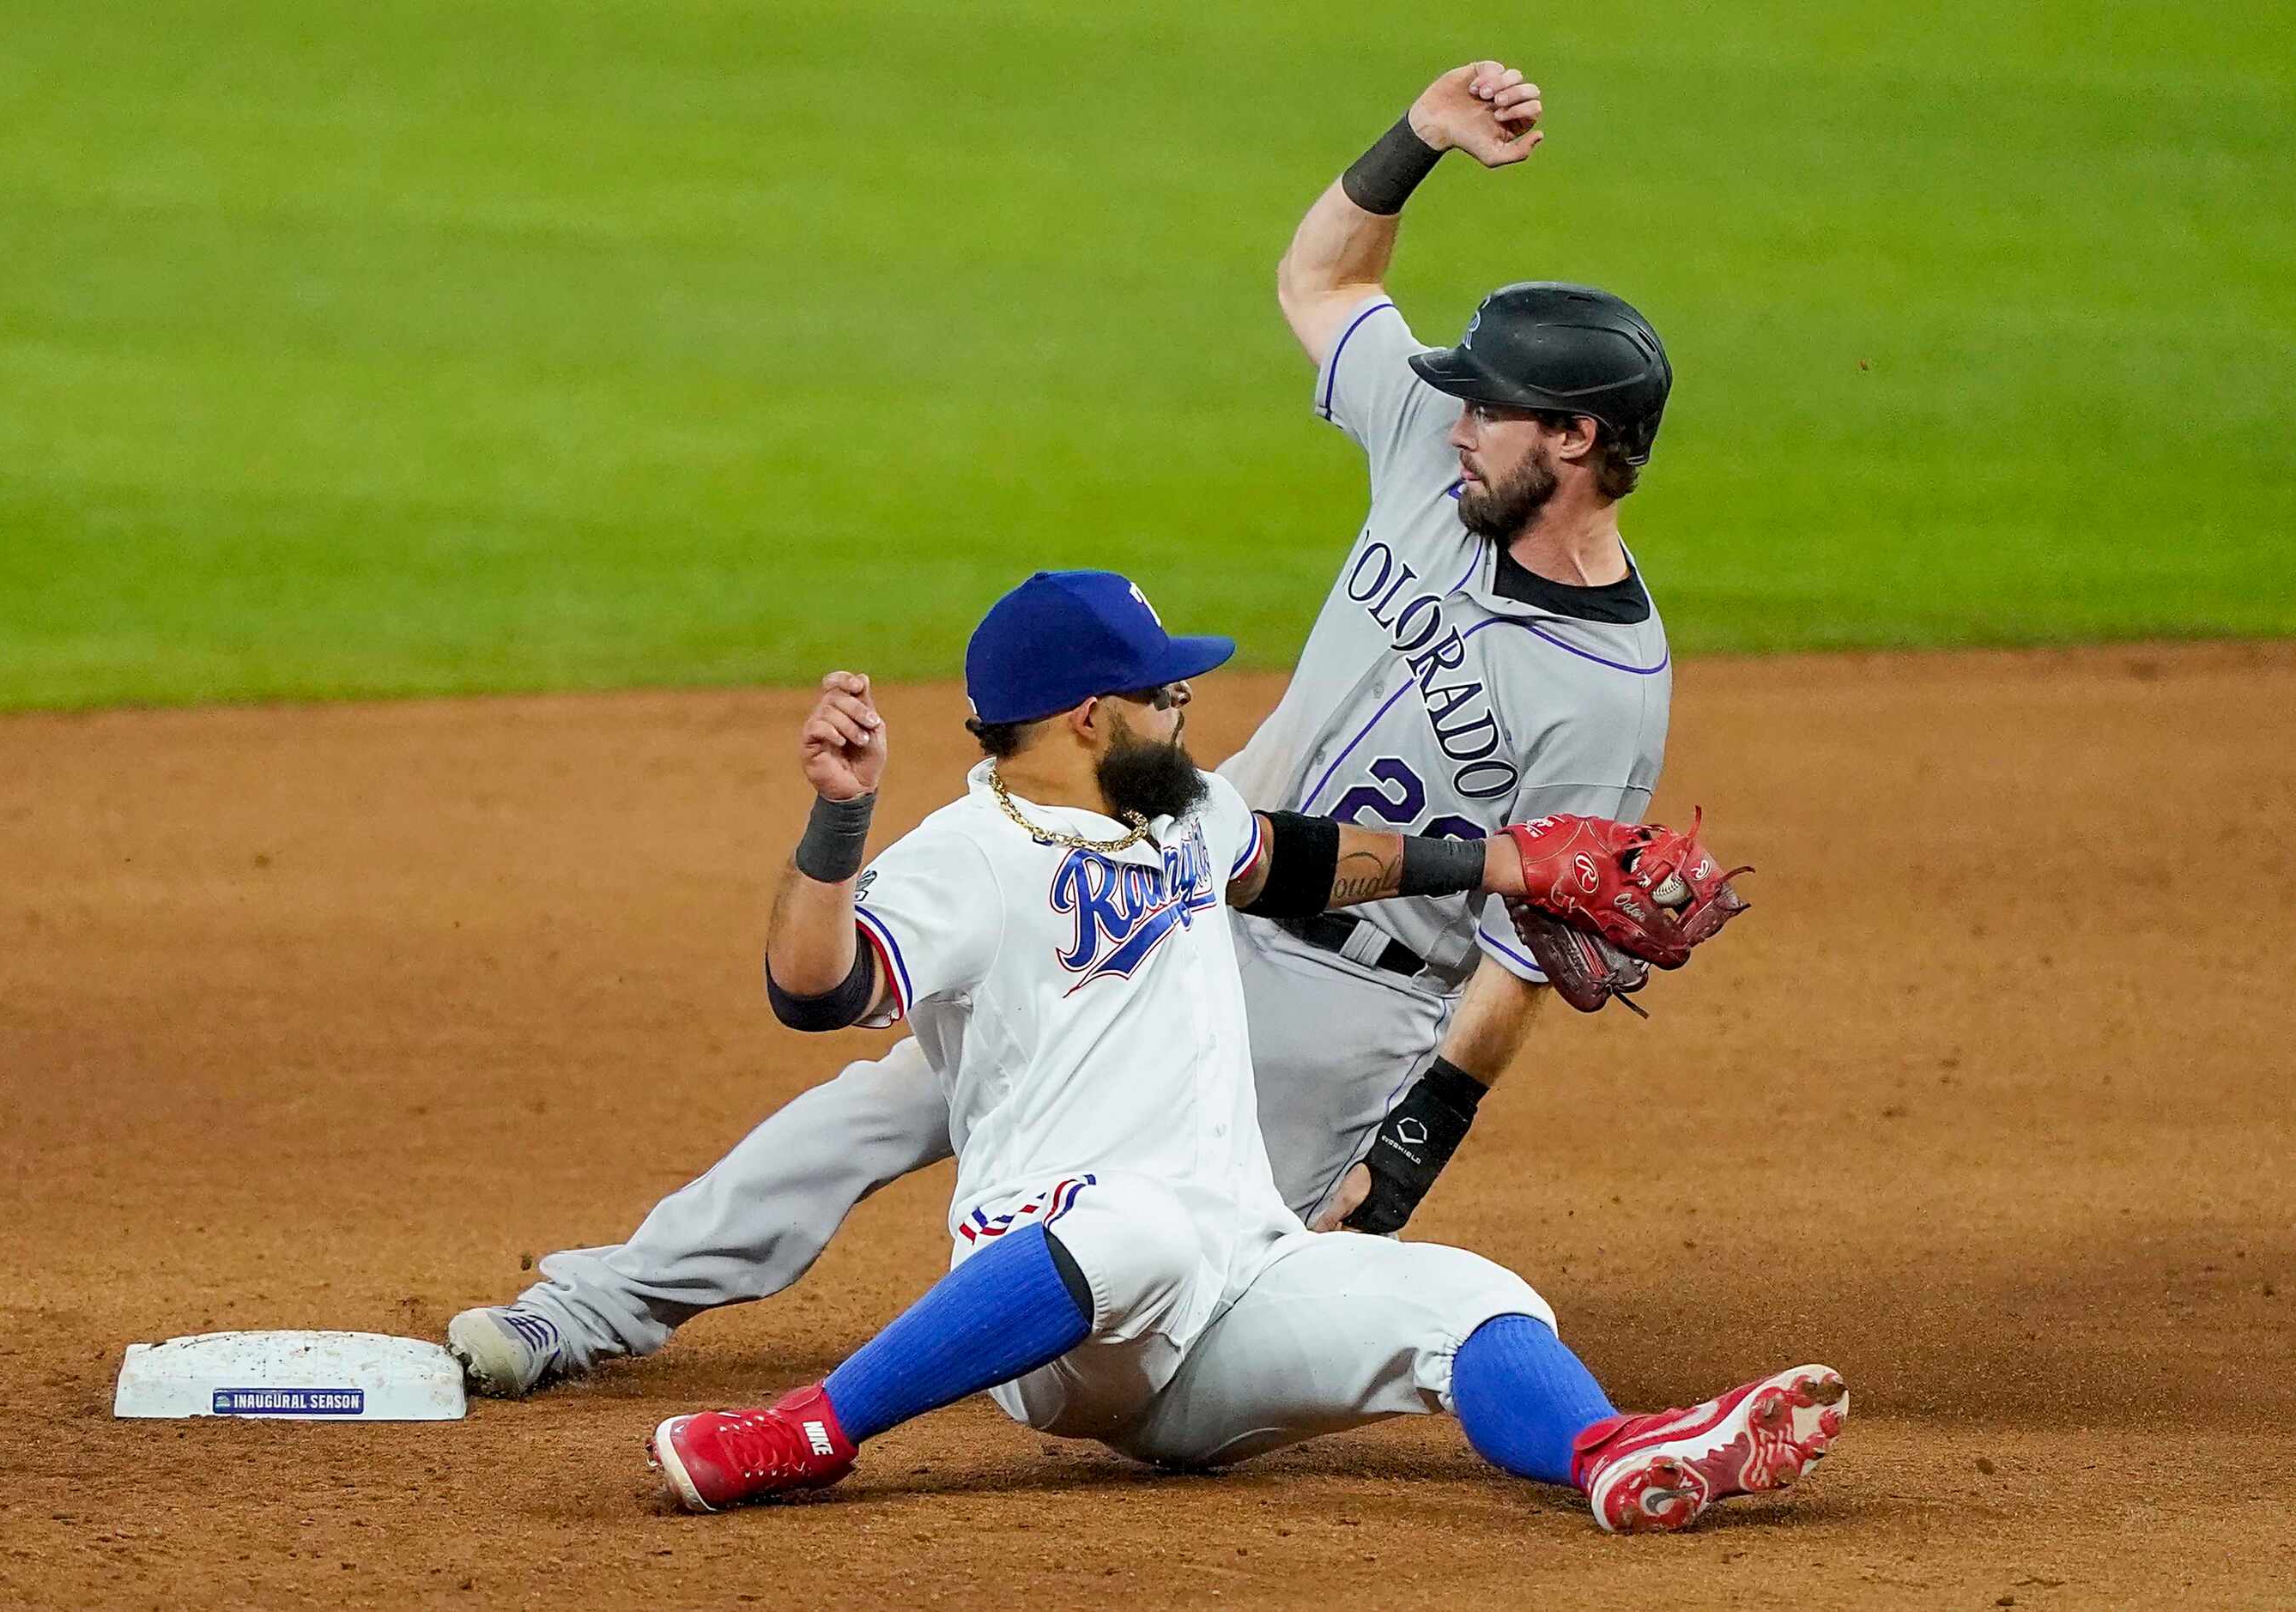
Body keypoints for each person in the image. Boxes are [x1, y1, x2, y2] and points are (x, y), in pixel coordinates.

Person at [451, 53, 1685, 1395]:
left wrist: (1416, 1136)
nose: (1460, 414)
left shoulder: (1611, 689)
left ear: (1571, 441)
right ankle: (595, 1302)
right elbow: (1325, 283)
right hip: (1178, 868)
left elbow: (1524, 940)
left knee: (1175, 1319)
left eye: (1494, 405)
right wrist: (1415, 141)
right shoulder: (1432, 452)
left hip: (1342, 1004)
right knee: (889, 1098)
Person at [640, 570, 1844, 1535]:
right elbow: (815, 989)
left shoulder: (1185, 812)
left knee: (1471, 1296)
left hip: (1227, 1290)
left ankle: (1614, 1452)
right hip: (1058, 1295)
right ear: (1087, 715)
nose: (1185, 708)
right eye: (1163, 693)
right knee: (1141, 1226)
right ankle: (803, 1432)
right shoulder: (965, 856)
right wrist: (840, 821)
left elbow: (1299, 859)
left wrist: (1512, 862)